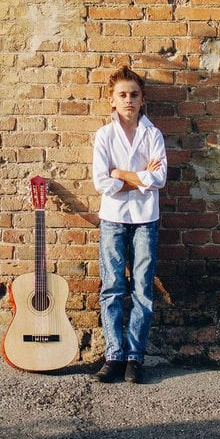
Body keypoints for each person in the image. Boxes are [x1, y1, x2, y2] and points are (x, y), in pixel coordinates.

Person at [90, 65, 167, 384]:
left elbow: (159, 178)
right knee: (112, 287)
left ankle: (135, 357)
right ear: (112, 100)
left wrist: (120, 173)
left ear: (142, 99)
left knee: (142, 289)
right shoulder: (105, 136)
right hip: (113, 219)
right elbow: (101, 182)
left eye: (134, 95)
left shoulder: (153, 135)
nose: (128, 100)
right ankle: (114, 355)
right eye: (122, 95)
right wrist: (139, 178)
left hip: (146, 219)